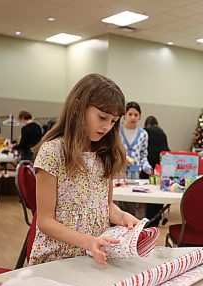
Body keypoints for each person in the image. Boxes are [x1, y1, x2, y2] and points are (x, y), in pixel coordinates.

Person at [30, 73, 139, 265]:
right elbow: (45, 221)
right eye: (102, 117)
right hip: (56, 259)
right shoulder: (52, 151)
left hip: (94, 257)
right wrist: (88, 242)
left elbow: (106, 205)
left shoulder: (105, 154)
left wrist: (122, 217)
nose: (107, 126)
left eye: (113, 121)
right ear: (78, 108)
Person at [144, 115, 170, 224]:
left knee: (148, 189)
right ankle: (157, 215)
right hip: (161, 163)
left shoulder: (145, 131)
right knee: (158, 189)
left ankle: (149, 217)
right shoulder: (162, 132)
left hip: (149, 162)